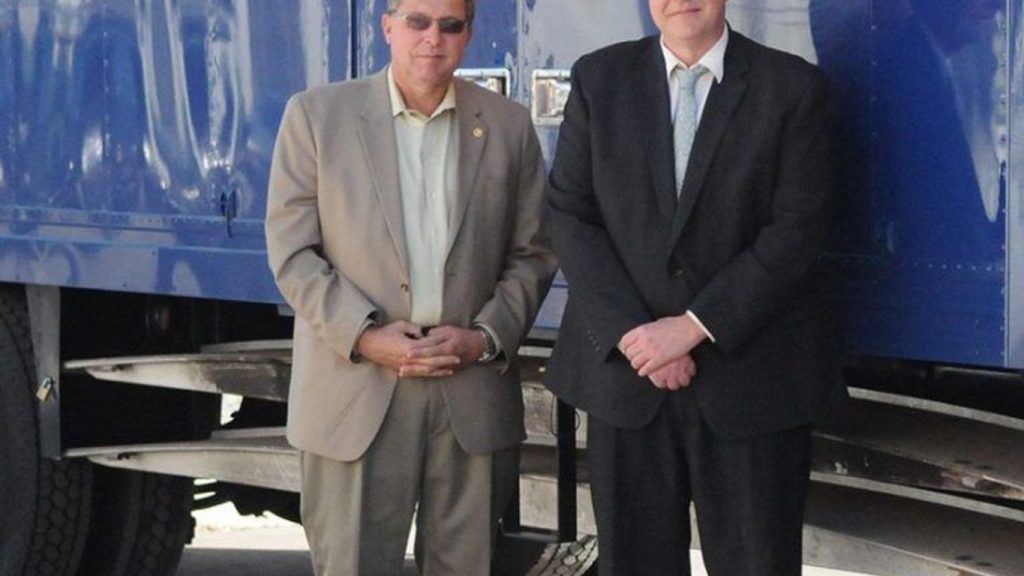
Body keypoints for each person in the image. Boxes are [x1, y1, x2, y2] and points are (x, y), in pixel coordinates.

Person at [544, 1, 844, 574]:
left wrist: (691, 328)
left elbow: (799, 230)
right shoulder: (598, 80)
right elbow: (571, 214)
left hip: (751, 385)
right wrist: (638, 336)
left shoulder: (793, 88)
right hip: (627, 382)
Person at [264, 0, 557, 573]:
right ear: (388, 27)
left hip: (468, 389)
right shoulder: (317, 117)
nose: (433, 38)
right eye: (418, 21)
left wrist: (482, 338)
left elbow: (533, 256)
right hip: (357, 389)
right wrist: (366, 336)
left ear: (469, 34)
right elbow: (294, 253)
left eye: (450, 25)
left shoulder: (507, 125)